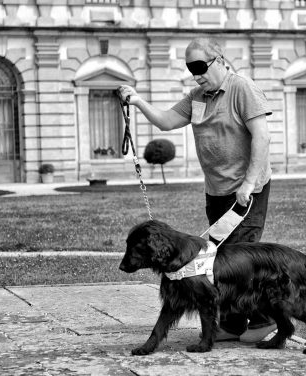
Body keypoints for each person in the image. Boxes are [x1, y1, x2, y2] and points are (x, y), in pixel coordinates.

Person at [117, 37, 276, 343]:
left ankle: (265, 321)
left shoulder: (242, 88)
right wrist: (136, 101)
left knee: (240, 259)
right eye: (191, 68)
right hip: (216, 190)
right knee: (217, 259)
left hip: (246, 192)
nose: (197, 73)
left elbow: (262, 138)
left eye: (201, 66)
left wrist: (248, 184)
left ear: (219, 61)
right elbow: (165, 121)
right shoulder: (198, 96)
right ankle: (231, 324)